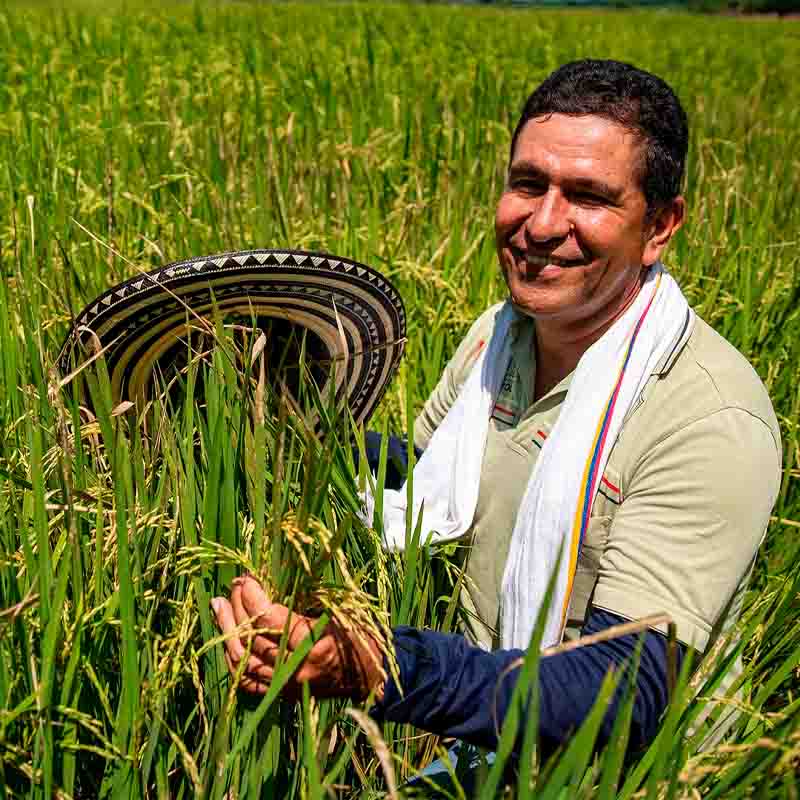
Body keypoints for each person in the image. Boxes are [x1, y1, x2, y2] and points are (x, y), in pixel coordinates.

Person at [211, 60, 782, 768]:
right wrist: (281, 430)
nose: (543, 224)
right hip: (479, 736)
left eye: (589, 197)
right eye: (528, 184)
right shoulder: (498, 335)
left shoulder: (707, 420)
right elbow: (429, 483)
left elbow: (622, 693)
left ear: (660, 226)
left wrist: (377, 661)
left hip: (616, 775)